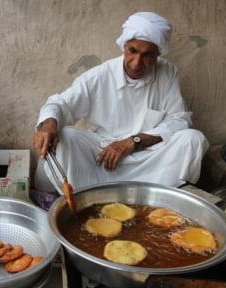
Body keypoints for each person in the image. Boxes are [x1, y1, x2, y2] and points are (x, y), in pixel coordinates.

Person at [33, 12, 208, 193]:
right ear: (124, 46)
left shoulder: (167, 72)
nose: (136, 63)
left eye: (147, 55)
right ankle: (88, 195)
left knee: (193, 139)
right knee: (66, 136)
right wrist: (49, 125)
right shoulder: (100, 75)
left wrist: (133, 141)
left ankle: (159, 197)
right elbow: (60, 104)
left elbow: (179, 120)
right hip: (102, 157)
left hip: (146, 158)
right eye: (133, 51)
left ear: (157, 55)